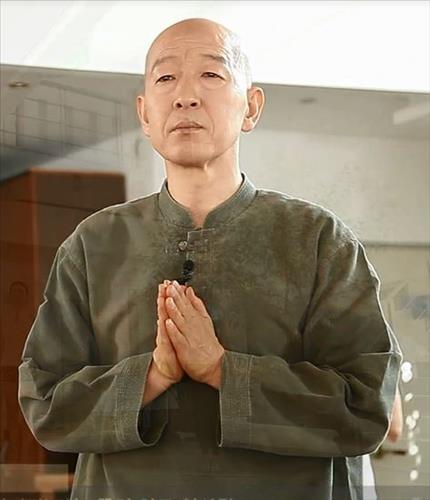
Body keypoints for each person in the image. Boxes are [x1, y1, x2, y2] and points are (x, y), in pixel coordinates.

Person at [18, 17, 403, 500]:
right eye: (165, 77)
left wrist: (223, 370)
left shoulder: (318, 239)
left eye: (211, 74)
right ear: (144, 113)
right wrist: (153, 375)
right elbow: (46, 403)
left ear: (251, 106)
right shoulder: (93, 245)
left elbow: (367, 406)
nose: (185, 96)